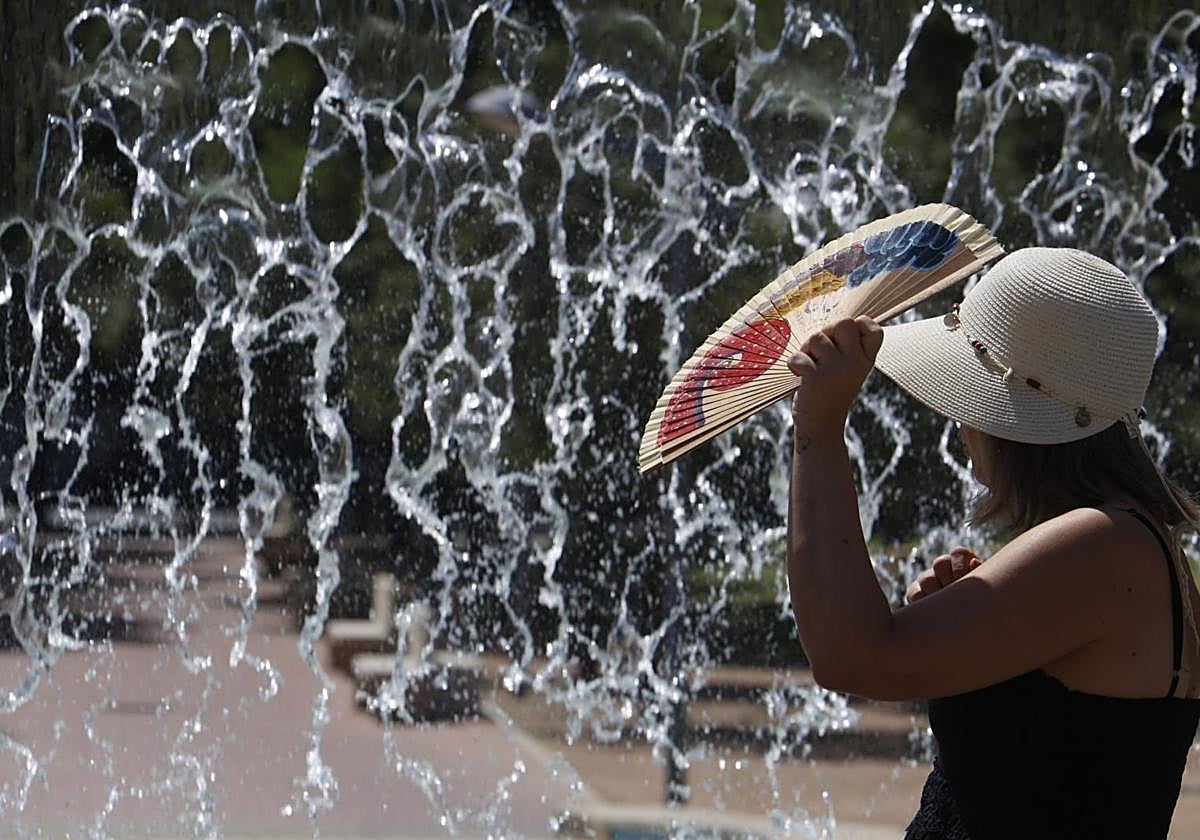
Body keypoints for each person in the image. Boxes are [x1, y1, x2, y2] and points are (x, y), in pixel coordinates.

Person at [783, 247, 1200, 839]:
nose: (960, 423)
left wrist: (819, 431)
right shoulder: (1126, 542)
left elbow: (849, 654)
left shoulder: (1105, 547)